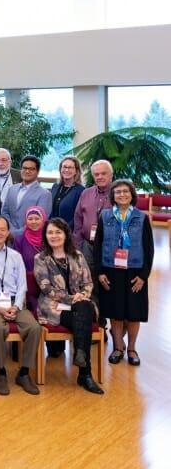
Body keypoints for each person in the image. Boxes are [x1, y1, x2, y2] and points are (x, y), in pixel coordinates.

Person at [33, 217, 104, 394]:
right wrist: (73, 299)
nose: (54, 236)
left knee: (83, 309)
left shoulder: (77, 256)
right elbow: (46, 288)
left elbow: (88, 283)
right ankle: (85, 373)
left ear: (66, 234)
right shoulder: (41, 258)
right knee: (83, 315)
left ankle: (80, 355)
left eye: (58, 232)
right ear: (45, 236)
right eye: (50, 232)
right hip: (54, 307)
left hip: (80, 304)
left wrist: (82, 296)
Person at [0, 215, 41, 395]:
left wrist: (16, 306)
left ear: (8, 232)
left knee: (34, 328)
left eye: (2, 229)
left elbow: (22, 286)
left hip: (14, 302)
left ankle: (24, 372)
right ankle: (1, 372)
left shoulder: (16, 256)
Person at [94, 180, 153, 367]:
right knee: (116, 312)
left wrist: (143, 276)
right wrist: (99, 272)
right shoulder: (105, 216)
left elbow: (149, 249)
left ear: (132, 194)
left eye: (125, 191)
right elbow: (97, 245)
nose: (122, 195)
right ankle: (118, 347)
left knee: (134, 313)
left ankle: (132, 349)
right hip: (111, 270)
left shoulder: (141, 218)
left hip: (135, 271)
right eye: (118, 192)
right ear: (113, 196)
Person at [73, 159, 113, 321]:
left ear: (111, 175)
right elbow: (77, 219)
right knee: (89, 282)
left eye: (103, 173)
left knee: (107, 282)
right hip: (87, 245)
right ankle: (96, 321)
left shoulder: (118, 193)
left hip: (109, 248)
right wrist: (77, 245)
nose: (100, 177)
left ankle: (109, 319)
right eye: (96, 174)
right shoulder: (86, 193)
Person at [1, 155, 52, 239]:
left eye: (31, 169)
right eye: (24, 168)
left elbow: (40, 220)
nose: (27, 171)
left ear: (38, 171)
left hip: (30, 240)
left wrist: (17, 234)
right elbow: (5, 212)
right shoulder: (12, 189)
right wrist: (11, 230)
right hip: (9, 237)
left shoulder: (45, 194)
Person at [50, 155, 85, 228]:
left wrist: (64, 229)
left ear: (76, 171)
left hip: (69, 230)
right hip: (53, 229)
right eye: (64, 167)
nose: (66, 170)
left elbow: (78, 216)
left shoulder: (81, 191)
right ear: (60, 169)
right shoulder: (55, 187)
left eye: (70, 167)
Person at [13, 206, 47, 271]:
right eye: (30, 219)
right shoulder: (19, 241)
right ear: (26, 221)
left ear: (43, 220)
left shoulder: (49, 238)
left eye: (37, 219)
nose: (33, 222)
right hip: (26, 276)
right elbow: (16, 264)